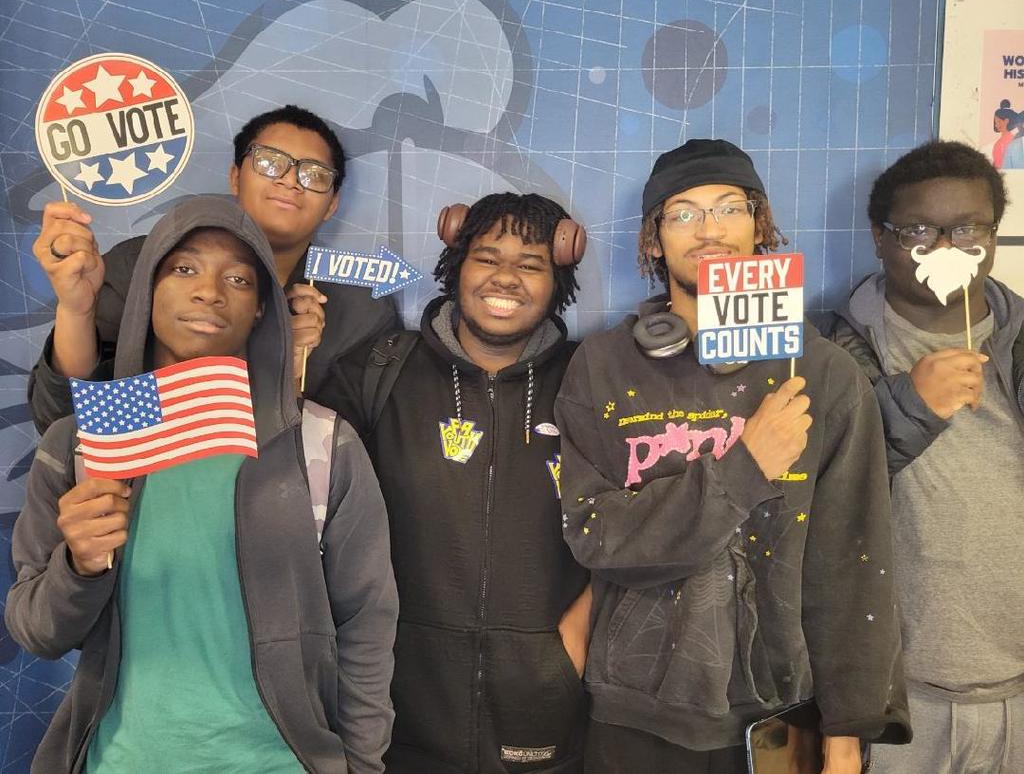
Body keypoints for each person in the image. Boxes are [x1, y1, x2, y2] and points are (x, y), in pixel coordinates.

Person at [6, 196, 399, 773]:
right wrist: (80, 567)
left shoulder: (320, 444)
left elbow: (367, 622)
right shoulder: (84, 443)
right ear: (146, 289)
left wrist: (360, 766)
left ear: (263, 308)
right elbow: (36, 631)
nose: (210, 291)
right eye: (184, 268)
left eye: (238, 278)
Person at [554, 139, 910, 773]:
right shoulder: (603, 366)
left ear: (759, 225)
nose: (709, 228)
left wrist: (848, 735)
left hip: (780, 714)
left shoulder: (821, 374)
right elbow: (596, 535)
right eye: (682, 213)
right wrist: (745, 468)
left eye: (729, 207)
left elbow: (854, 561)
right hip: (635, 709)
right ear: (653, 241)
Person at [321, 193, 592, 773]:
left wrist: (569, 647)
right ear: (456, 266)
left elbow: (641, 518)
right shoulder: (376, 372)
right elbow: (308, 517)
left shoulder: (592, 380)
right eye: (488, 257)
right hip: (392, 710)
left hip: (545, 707)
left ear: (558, 278)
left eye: (531, 264)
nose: (506, 278)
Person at [830, 140, 1024, 773]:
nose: (946, 249)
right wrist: (910, 403)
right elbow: (819, 497)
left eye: (968, 228)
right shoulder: (827, 350)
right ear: (880, 238)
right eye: (919, 229)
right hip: (895, 702)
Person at [28, 104, 399, 432]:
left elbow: (357, 447)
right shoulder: (145, 264)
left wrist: (289, 372)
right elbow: (67, 421)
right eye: (269, 162)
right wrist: (75, 310)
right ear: (235, 177)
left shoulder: (362, 310)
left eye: (314, 174)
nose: (289, 180)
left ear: (333, 204)